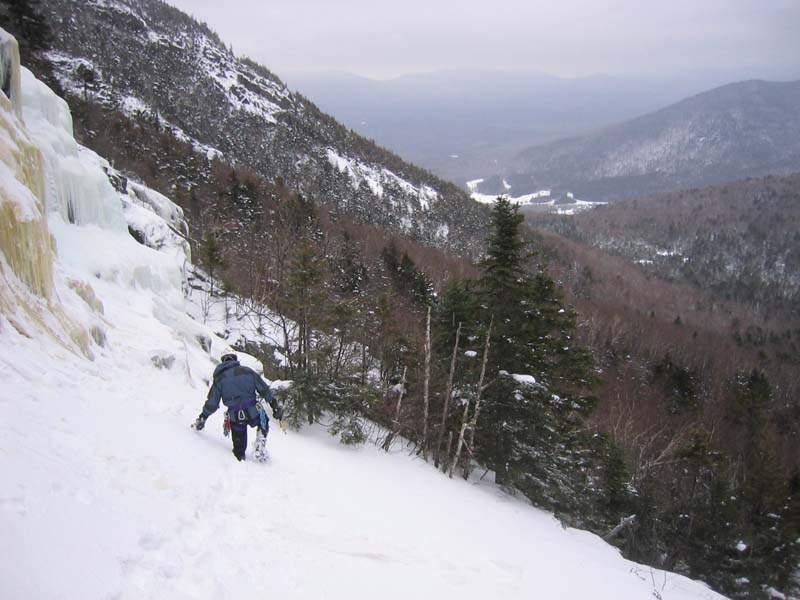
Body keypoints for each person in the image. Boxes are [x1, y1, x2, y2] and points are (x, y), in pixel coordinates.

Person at [192, 353, 283, 462]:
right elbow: (264, 389)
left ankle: (240, 460)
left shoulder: (220, 379)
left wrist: (203, 417)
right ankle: (260, 441)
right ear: (235, 361)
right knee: (263, 422)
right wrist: (274, 405)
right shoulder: (247, 371)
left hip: (235, 416)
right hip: (253, 410)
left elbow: (212, 403)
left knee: (239, 449)